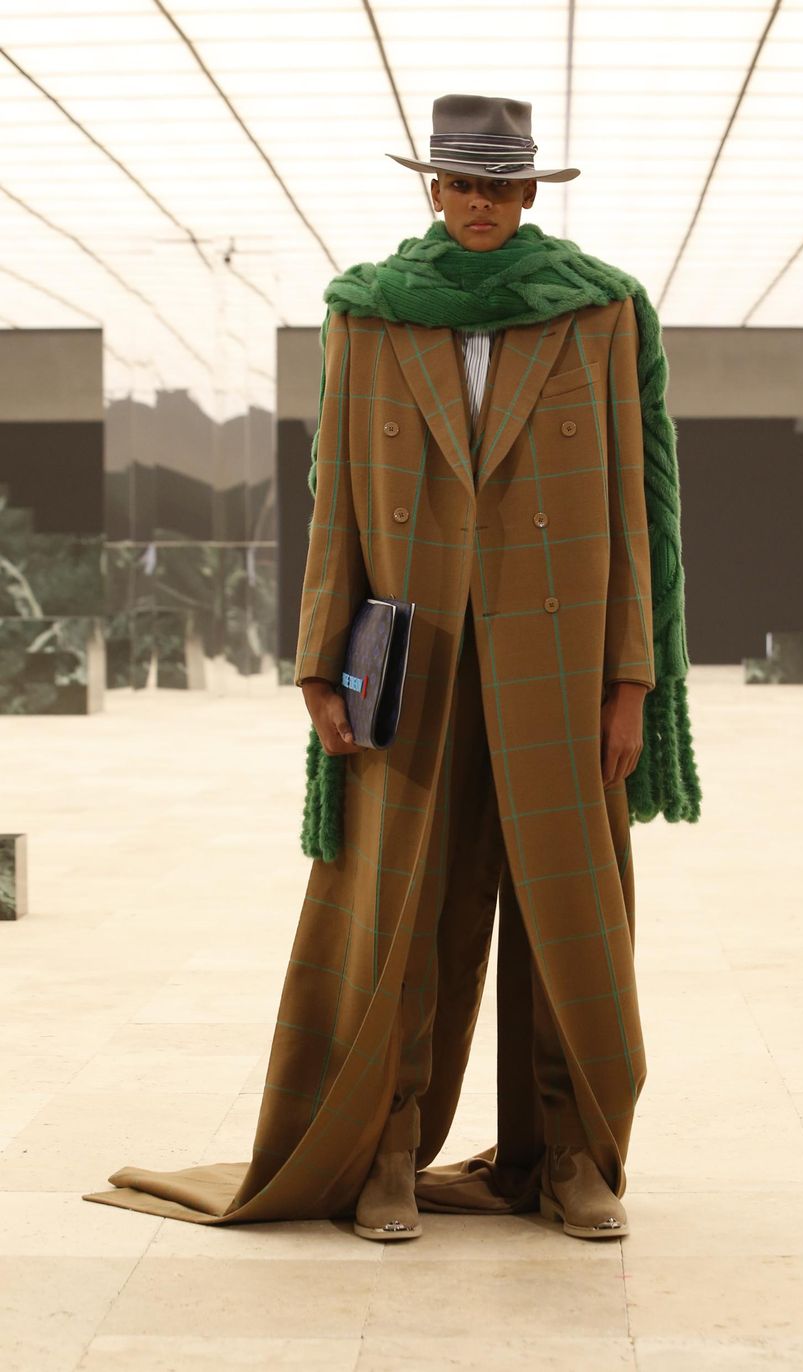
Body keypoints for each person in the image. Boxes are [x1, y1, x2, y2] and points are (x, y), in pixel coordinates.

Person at [82, 92, 700, 1242]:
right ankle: (387, 1150)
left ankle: (571, 1155)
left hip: (559, 659)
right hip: (408, 656)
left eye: (497, 185)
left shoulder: (600, 310)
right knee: (401, 908)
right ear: (433, 188)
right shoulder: (366, 314)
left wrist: (632, 681)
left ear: (528, 192)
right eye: (460, 183)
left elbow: (633, 507)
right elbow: (335, 503)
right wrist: (320, 664)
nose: (478, 204)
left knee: (570, 916)